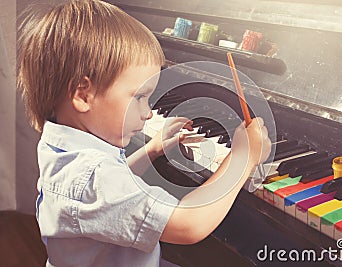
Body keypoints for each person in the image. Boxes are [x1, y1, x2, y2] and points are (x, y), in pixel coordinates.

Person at [18, 0, 271, 266]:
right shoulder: (93, 179)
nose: (149, 112)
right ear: (83, 95)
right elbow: (188, 225)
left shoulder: (63, 147)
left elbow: (113, 184)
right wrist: (243, 156)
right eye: (139, 97)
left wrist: (152, 149)